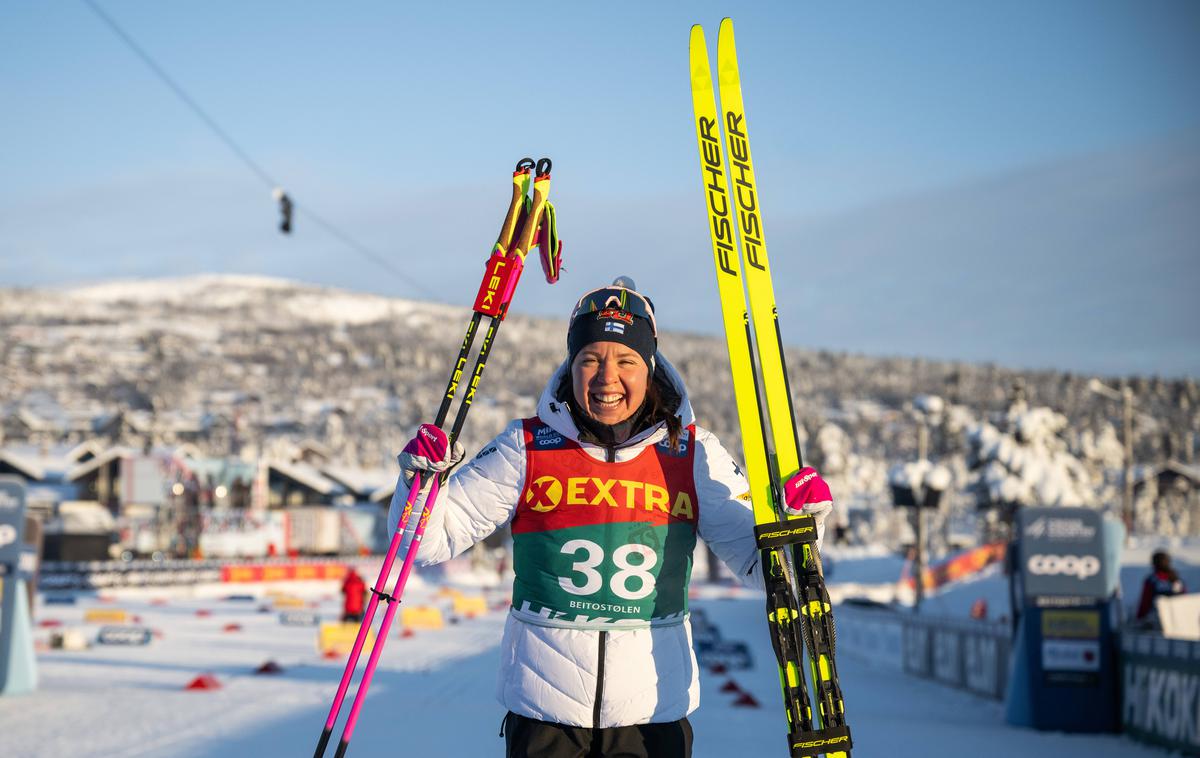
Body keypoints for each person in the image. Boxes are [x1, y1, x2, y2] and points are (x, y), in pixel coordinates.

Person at [388, 278, 835, 758]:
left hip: (651, 716)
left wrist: (801, 521)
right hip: (544, 715)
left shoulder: (691, 452)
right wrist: (420, 482)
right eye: (590, 360)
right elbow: (428, 542)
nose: (606, 378)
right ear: (571, 365)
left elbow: (764, 569)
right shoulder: (526, 445)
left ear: (650, 366)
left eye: (625, 361)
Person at [1135, 549, 1186, 628]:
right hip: (1178, 620)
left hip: (1159, 622)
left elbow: (1145, 602)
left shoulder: (1152, 580)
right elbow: (1184, 598)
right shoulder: (1177, 580)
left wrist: (1139, 618)